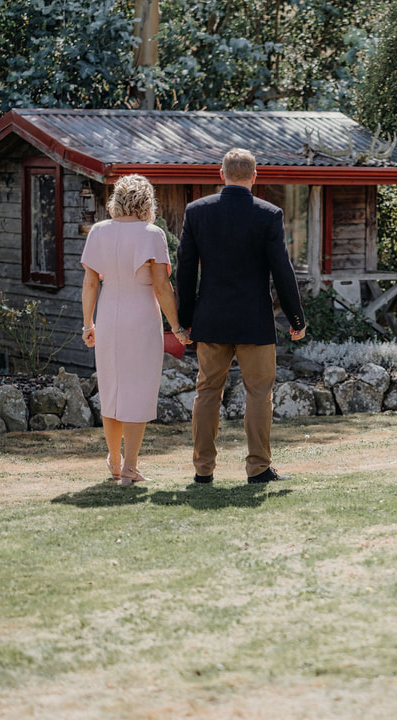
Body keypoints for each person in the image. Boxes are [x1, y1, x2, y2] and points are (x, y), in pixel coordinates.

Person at [176, 148, 307, 485]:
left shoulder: (197, 212)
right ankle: (259, 468)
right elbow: (282, 269)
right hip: (254, 320)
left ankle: (203, 470)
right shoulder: (268, 214)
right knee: (260, 394)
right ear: (254, 176)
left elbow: (186, 271)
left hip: (211, 318)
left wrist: (184, 320)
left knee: (207, 392)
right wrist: (296, 318)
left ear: (221, 174)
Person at [81, 174, 191, 486]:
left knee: (112, 388)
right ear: (147, 203)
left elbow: (90, 283)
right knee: (138, 390)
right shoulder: (152, 234)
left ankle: (114, 460)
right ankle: (130, 466)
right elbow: (161, 286)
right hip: (141, 317)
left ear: (116, 200)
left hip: (109, 316)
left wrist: (88, 324)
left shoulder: (99, 231)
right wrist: (178, 327)